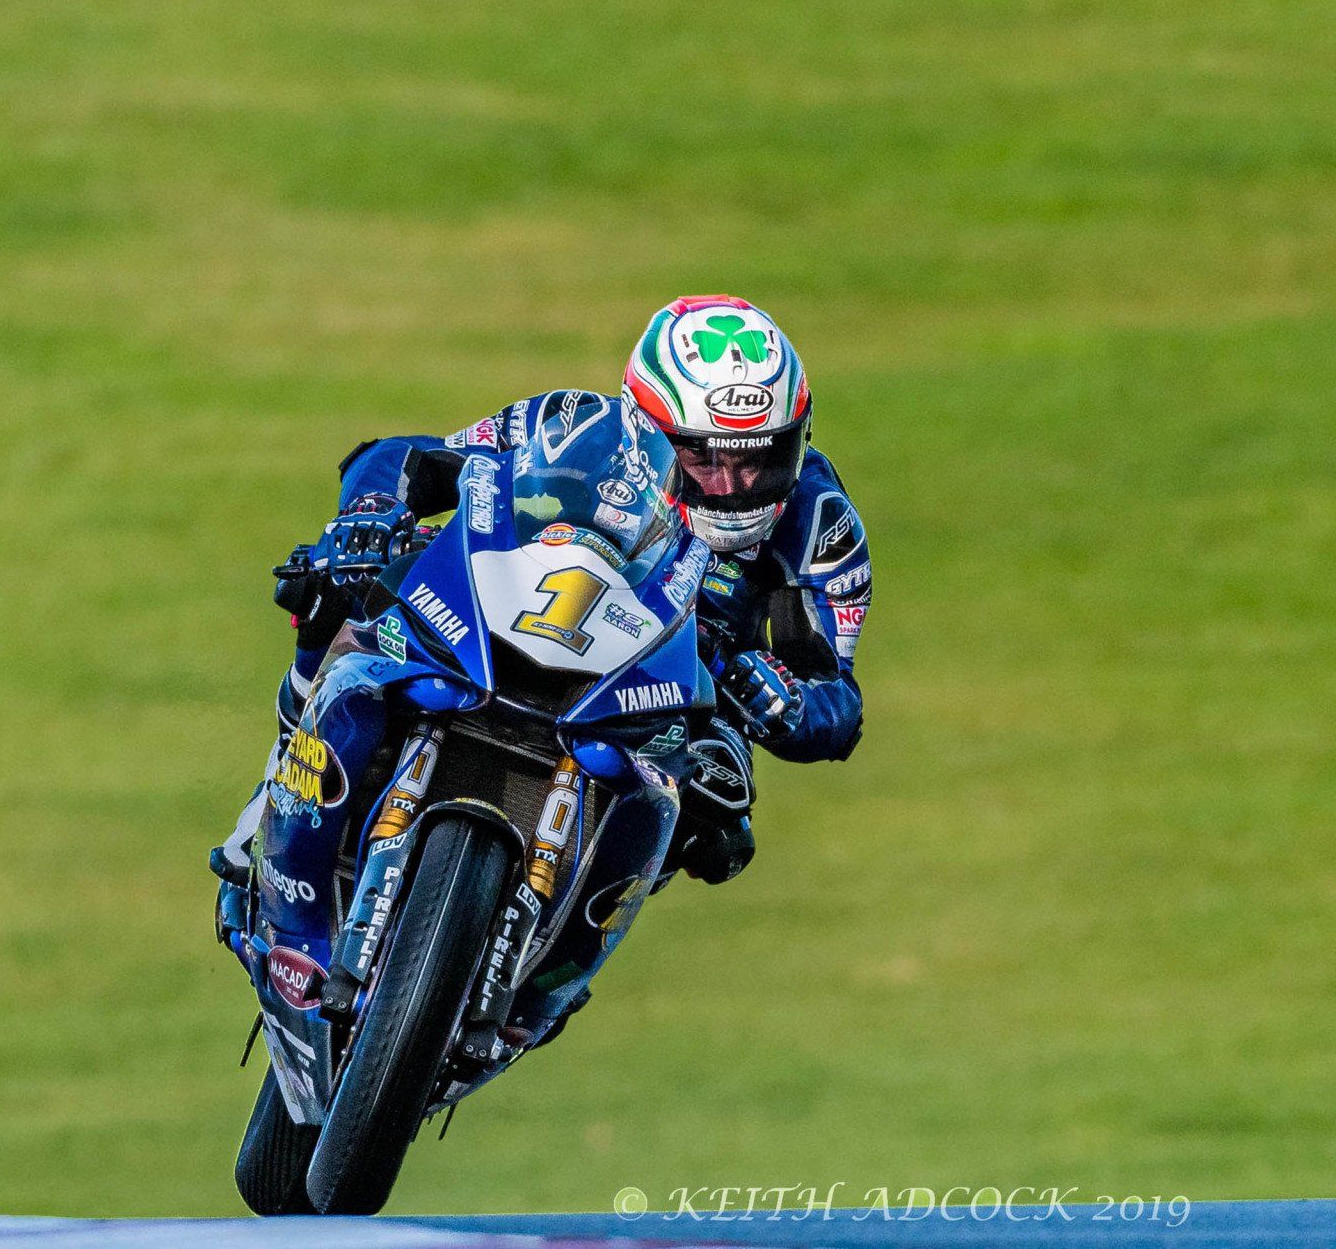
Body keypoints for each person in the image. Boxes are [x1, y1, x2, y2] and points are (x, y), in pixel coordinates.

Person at [213, 294, 870, 904]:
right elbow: (410, 457)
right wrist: (372, 512)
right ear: (645, 425)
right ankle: (278, 785)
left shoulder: (821, 523)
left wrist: (789, 706)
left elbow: (836, 696)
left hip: (680, 691)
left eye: (760, 460)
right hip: (529, 609)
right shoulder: (571, 423)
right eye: (705, 460)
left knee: (721, 808)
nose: (733, 485)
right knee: (335, 584)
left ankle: (561, 946)